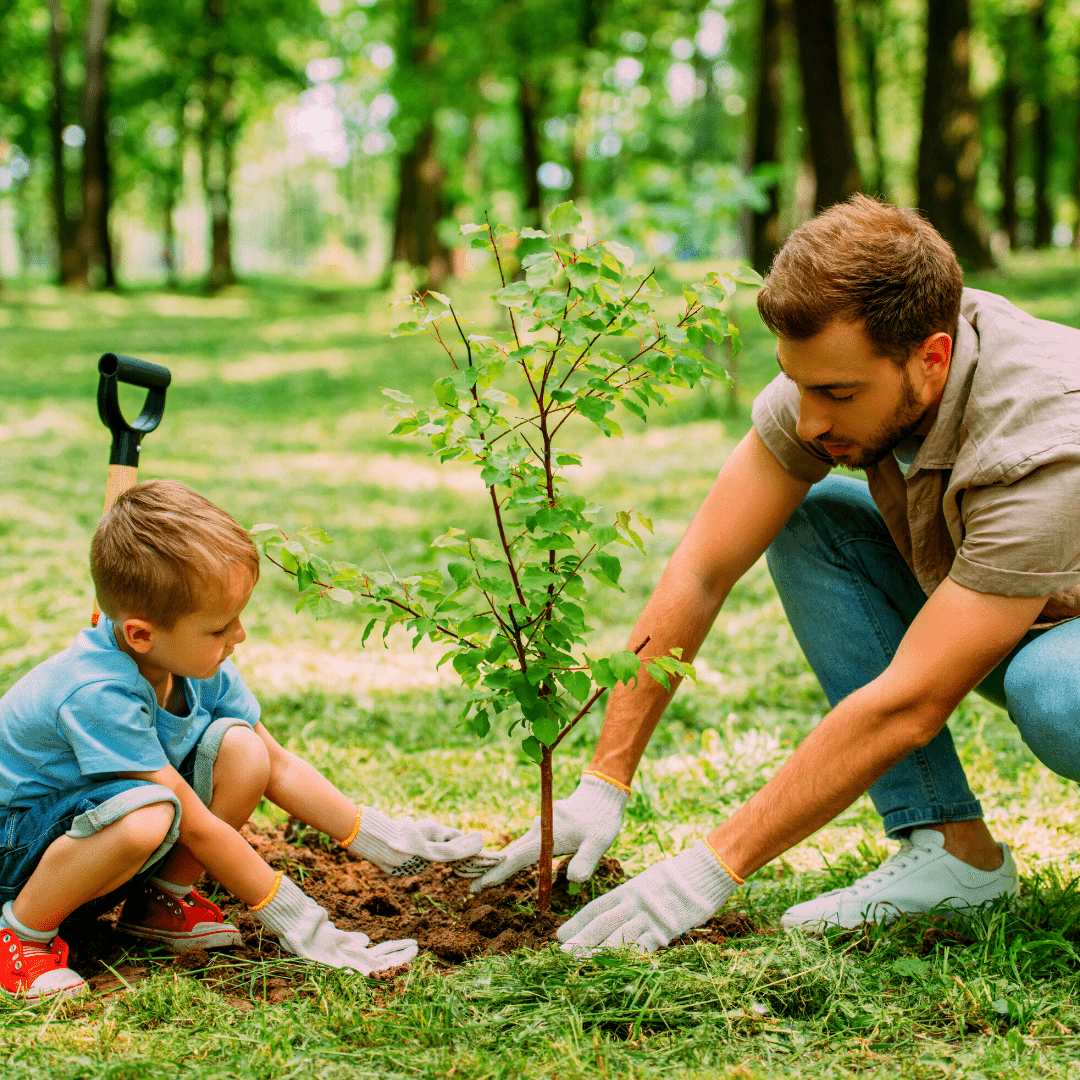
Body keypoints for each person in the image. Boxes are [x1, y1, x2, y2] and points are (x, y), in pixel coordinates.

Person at [474, 195, 1080, 952]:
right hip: (1020, 606)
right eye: (797, 384)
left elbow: (910, 704)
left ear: (932, 359)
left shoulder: (1047, 439)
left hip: (1063, 642)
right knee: (811, 513)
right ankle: (952, 853)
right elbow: (701, 568)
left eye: (836, 394)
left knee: (1057, 692)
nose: (809, 420)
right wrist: (605, 781)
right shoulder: (843, 369)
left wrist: (709, 868)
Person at [0, 480, 498, 999]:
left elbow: (278, 766)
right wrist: (302, 922)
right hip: (14, 848)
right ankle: (19, 935)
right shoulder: (96, 690)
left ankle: (158, 907)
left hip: (83, 837)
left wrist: (385, 840)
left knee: (243, 750)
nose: (238, 636)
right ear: (141, 635)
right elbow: (192, 823)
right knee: (151, 811)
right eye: (219, 628)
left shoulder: (191, 661)